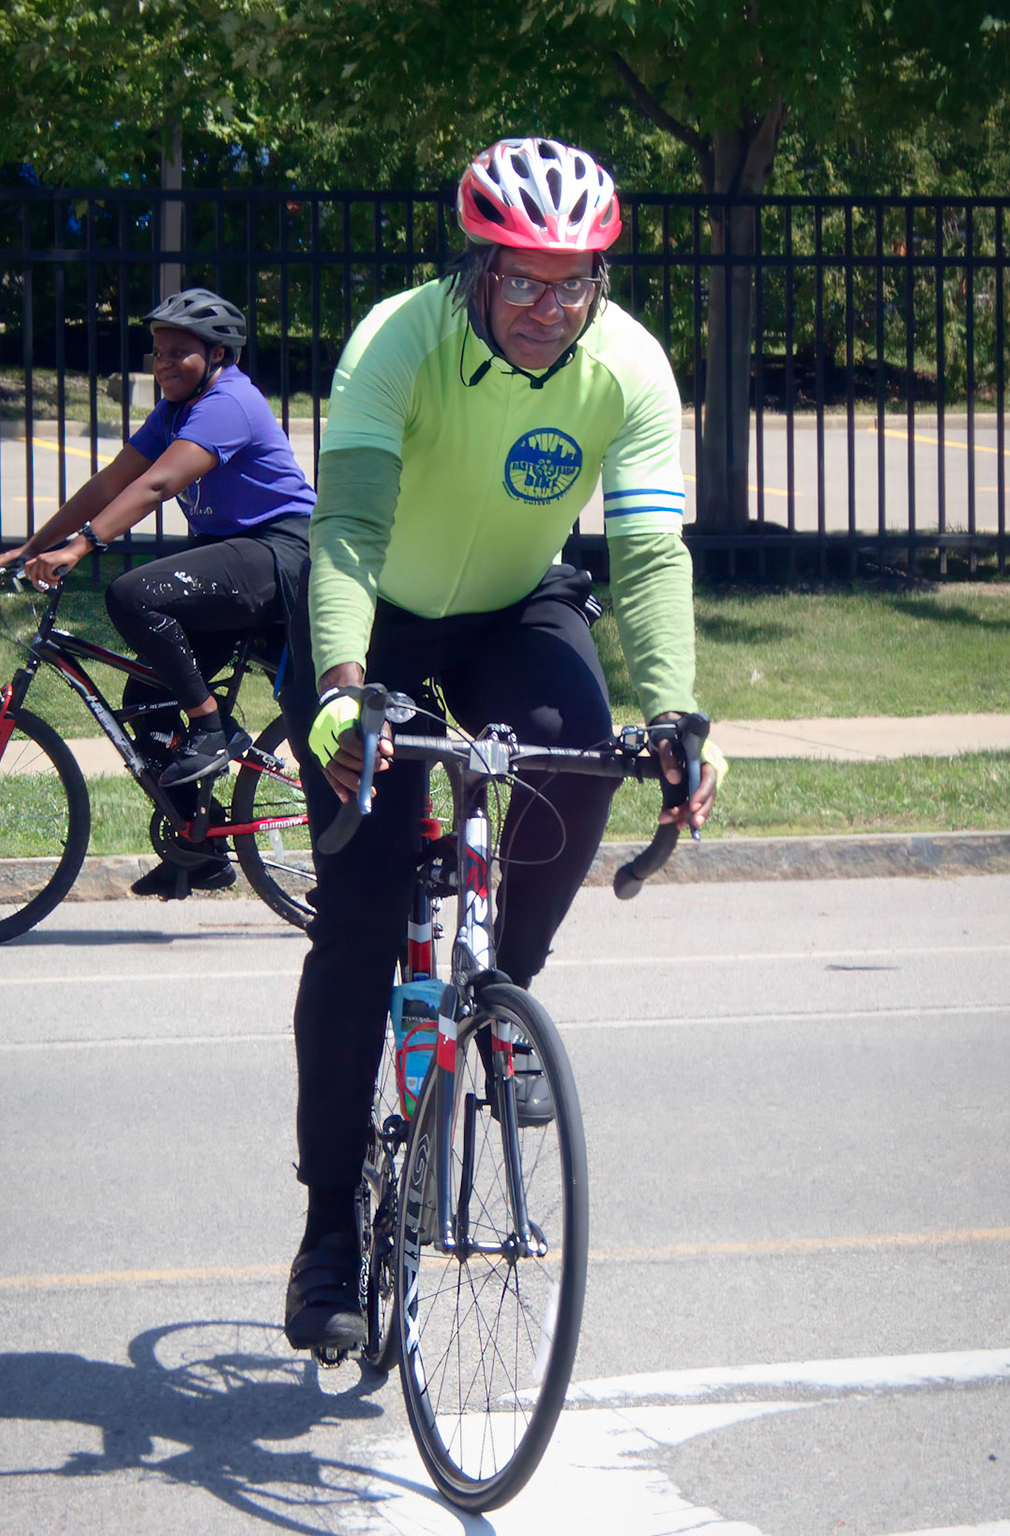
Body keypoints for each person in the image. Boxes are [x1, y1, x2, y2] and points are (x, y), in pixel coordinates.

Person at [279, 137, 726, 1352]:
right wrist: (340, 687)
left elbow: (647, 554)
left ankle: (501, 994)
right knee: (361, 917)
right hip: (374, 622)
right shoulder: (398, 339)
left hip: (516, 611)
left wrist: (678, 712)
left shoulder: (627, 366)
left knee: (581, 755)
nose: (546, 306)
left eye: (571, 280)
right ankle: (327, 1234)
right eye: (522, 279)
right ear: (475, 267)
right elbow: (352, 527)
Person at [0, 288, 316, 898]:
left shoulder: (229, 403)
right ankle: (200, 847)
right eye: (157, 353)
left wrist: (82, 546)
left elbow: (159, 482)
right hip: (231, 555)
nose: (163, 363)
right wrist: (34, 546)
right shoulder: (175, 409)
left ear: (218, 354)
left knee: (134, 595)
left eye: (179, 353)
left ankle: (212, 726)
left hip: (280, 553)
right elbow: (111, 482)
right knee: (147, 703)